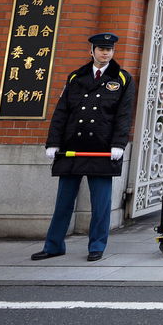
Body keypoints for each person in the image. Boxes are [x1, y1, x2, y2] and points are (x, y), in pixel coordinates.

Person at [32, 32, 135, 262]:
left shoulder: (122, 79)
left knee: (101, 204)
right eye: (100, 49)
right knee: (63, 202)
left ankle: (96, 245)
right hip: (72, 147)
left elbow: (124, 115)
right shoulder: (76, 77)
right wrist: (54, 142)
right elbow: (62, 112)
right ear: (92, 51)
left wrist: (119, 144)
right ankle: (54, 244)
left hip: (101, 149)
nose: (105, 52)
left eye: (109, 49)